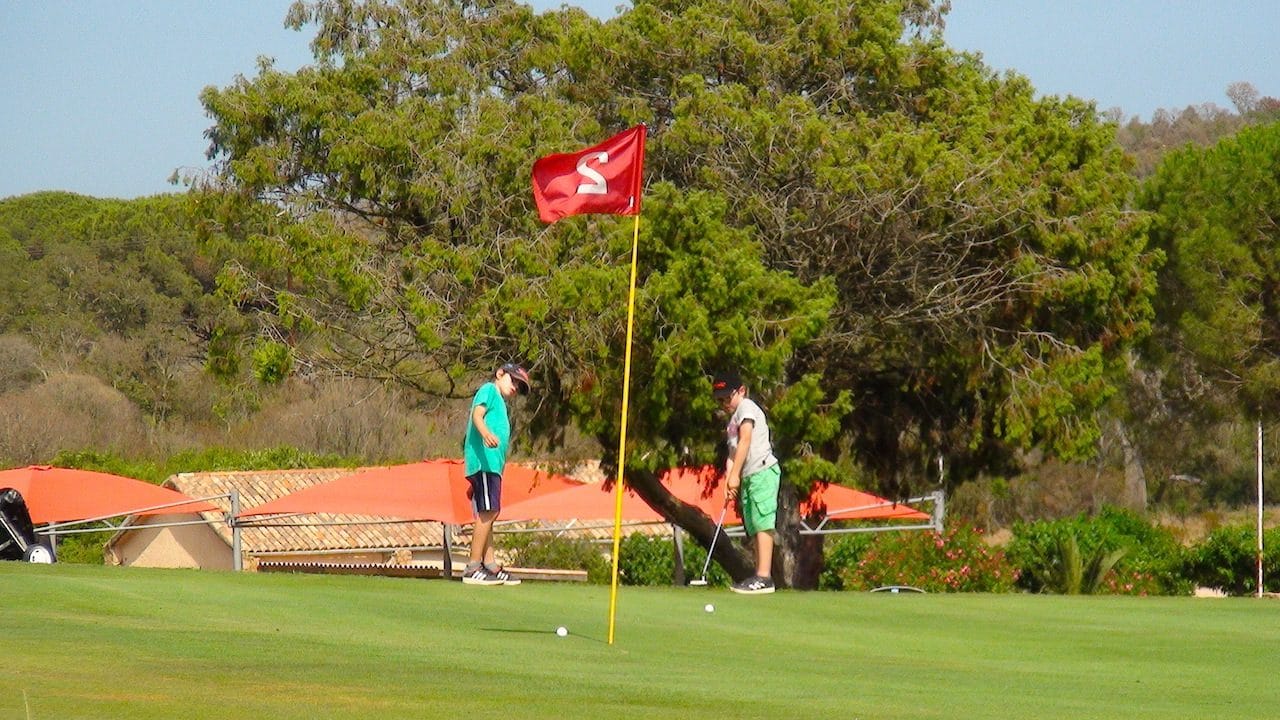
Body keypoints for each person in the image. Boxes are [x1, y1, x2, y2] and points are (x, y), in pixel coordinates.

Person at [461, 362, 531, 586]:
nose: (515, 388)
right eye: (514, 381)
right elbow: (477, 415)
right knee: (489, 512)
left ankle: (489, 564)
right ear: (500, 374)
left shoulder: (500, 403)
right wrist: (485, 434)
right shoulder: (489, 390)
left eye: (519, 387)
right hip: (484, 464)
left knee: (489, 512)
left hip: (492, 468)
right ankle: (473, 566)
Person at [712, 371, 779, 594]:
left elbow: (746, 440)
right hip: (749, 475)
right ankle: (759, 575)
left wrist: (735, 475)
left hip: (763, 471)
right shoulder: (732, 421)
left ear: (741, 391)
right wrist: (729, 480)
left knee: (762, 521)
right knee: (753, 523)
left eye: (727, 397)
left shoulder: (747, 407)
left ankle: (764, 577)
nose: (724, 403)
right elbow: (732, 453)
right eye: (720, 400)